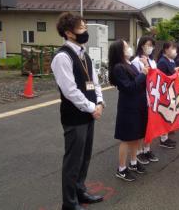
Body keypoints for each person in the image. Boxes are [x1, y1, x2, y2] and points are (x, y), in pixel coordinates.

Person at [51, 12, 104, 210]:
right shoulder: (62, 57)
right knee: (73, 160)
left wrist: (99, 102)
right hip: (75, 117)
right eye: (81, 28)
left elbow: (95, 82)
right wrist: (92, 108)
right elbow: (70, 91)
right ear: (68, 33)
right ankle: (69, 202)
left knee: (85, 156)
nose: (85, 31)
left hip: (89, 113)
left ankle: (80, 191)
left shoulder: (85, 55)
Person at [108, 39, 149, 182]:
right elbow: (130, 87)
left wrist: (144, 68)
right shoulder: (119, 67)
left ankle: (133, 162)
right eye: (126, 46)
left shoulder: (129, 64)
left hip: (138, 105)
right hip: (128, 107)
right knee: (126, 138)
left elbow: (140, 81)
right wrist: (143, 73)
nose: (129, 48)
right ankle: (121, 169)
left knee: (136, 136)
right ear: (120, 50)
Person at [131, 36, 159, 165]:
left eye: (151, 45)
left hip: (153, 97)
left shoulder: (153, 61)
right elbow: (138, 80)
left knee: (150, 125)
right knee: (140, 126)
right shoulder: (136, 61)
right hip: (142, 97)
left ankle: (147, 149)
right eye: (147, 44)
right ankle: (138, 152)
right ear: (141, 45)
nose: (150, 47)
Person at [156, 42, 178, 149]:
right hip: (165, 93)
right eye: (172, 48)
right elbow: (161, 79)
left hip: (171, 92)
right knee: (164, 116)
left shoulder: (171, 61)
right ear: (165, 50)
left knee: (169, 115)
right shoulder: (162, 62)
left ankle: (165, 137)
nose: (174, 50)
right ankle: (163, 139)